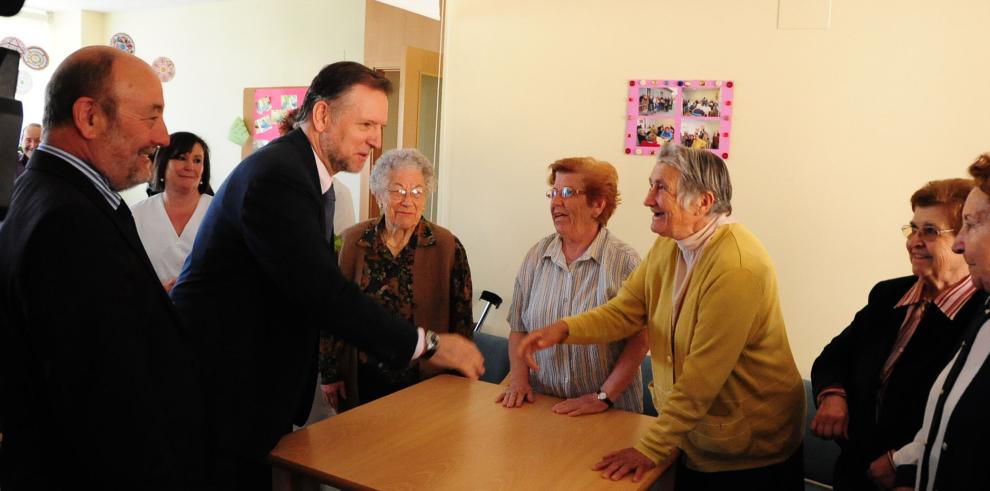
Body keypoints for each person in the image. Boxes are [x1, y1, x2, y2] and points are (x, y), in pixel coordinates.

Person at [168, 61, 484, 490]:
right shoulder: (279, 176)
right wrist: (425, 344)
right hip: (224, 386)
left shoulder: (311, 179)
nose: (376, 140)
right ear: (321, 116)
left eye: (380, 125)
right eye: (366, 124)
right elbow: (322, 292)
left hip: (252, 387)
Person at [518, 144, 805, 490]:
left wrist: (649, 449)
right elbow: (626, 312)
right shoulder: (671, 245)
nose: (648, 199)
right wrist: (563, 329)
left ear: (703, 202)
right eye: (651, 185)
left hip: (750, 455)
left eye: (661, 188)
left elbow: (702, 380)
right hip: (695, 438)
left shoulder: (737, 267)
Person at [0, 46, 207, 489]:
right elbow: (104, 403)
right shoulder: (67, 219)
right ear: (89, 117)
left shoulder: (53, 192)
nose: (164, 137)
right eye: (151, 117)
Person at [811, 179, 983, 491]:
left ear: (963, 238)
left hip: (913, 481)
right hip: (855, 471)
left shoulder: (979, 317)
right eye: (913, 229)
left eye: (930, 231)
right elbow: (835, 355)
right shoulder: (888, 294)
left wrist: (900, 463)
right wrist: (833, 395)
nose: (914, 241)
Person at [320, 148, 474, 410]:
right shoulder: (351, 242)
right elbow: (330, 312)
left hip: (424, 379)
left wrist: (459, 378)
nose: (407, 200)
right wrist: (330, 373)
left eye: (417, 192)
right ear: (378, 194)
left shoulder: (447, 246)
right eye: (397, 190)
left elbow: (461, 319)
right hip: (362, 376)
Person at [496, 156, 647, 415]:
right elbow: (519, 328)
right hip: (542, 407)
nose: (555, 202)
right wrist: (519, 380)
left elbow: (641, 340)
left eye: (567, 192)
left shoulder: (625, 262)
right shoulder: (536, 255)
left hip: (608, 412)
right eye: (553, 192)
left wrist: (603, 397)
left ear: (598, 205)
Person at [881, 153, 990, 491]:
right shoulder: (986, 315)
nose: (960, 244)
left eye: (971, 225)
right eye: (914, 229)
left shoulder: (972, 309)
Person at [131, 131, 214, 291]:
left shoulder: (219, 211)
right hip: (153, 308)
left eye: (197, 160)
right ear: (162, 164)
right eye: (181, 158)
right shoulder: (136, 215)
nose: (190, 166)